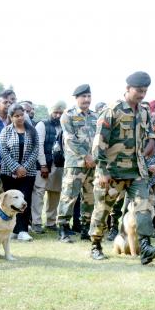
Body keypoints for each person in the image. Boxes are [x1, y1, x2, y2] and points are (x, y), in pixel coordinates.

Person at [89, 72, 155, 264]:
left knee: (143, 207)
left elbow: (150, 136)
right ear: (127, 89)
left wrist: (145, 152)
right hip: (113, 171)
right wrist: (103, 171)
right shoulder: (112, 110)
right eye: (139, 91)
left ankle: (146, 247)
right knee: (103, 209)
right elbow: (99, 143)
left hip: (137, 172)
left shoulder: (144, 111)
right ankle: (95, 246)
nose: (142, 94)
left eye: (145, 91)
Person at [57, 85, 97, 242]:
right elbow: (69, 139)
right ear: (76, 98)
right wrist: (86, 156)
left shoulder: (95, 116)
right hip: (75, 163)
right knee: (69, 196)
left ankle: (85, 228)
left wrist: (94, 158)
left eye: (89, 96)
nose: (87, 99)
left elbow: (100, 138)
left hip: (93, 164)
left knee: (90, 197)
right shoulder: (68, 115)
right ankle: (63, 229)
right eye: (83, 96)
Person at [0, 103, 39, 241]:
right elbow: (3, 151)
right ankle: (12, 230)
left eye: (22, 115)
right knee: (10, 202)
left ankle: (22, 230)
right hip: (8, 173)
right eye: (16, 116)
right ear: (11, 117)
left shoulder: (32, 131)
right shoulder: (6, 131)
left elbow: (35, 151)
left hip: (28, 173)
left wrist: (24, 168)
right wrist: (16, 167)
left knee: (24, 200)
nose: (20, 118)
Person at [31, 101, 66, 234]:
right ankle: (37, 222)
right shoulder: (42, 124)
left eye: (60, 113)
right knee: (39, 193)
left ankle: (51, 222)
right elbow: (38, 146)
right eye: (55, 112)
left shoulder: (64, 126)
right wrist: (43, 165)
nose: (57, 115)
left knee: (55, 193)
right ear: (50, 112)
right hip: (43, 165)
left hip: (59, 165)